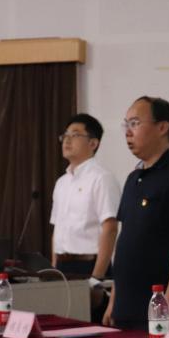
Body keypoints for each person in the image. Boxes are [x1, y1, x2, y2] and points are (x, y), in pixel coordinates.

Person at [101, 96, 169, 331]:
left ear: (162, 127)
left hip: (160, 308)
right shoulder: (133, 178)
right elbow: (125, 241)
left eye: (135, 123)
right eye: (126, 124)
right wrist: (114, 300)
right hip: (126, 307)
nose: (128, 132)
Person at [50, 113, 120, 319]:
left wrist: (96, 279)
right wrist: (54, 268)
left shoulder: (102, 178)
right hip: (63, 268)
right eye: (65, 135)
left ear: (93, 143)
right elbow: (57, 230)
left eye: (75, 135)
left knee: (92, 328)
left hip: (90, 266)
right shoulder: (61, 182)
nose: (67, 140)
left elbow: (110, 228)